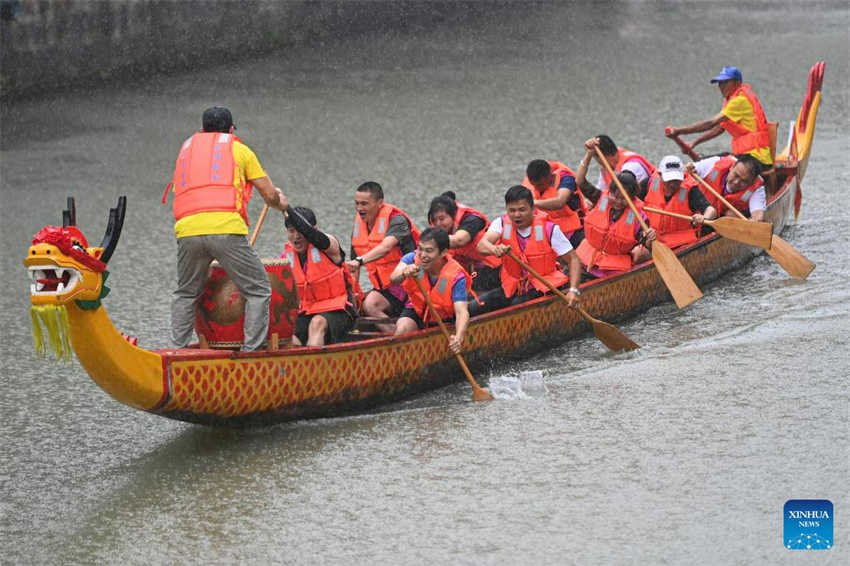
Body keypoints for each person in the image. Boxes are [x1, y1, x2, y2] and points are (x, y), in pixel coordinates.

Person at [166, 106, 288, 351]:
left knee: (186, 293)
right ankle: (251, 352)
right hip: (226, 230)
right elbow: (268, 194)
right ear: (231, 130)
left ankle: (175, 352)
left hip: (187, 230)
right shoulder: (240, 149)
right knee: (258, 290)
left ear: (201, 130)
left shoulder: (186, 151)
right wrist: (281, 203)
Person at [476, 185, 582, 310]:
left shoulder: (549, 229)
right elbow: (481, 246)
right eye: (512, 210)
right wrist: (494, 249)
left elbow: (574, 260)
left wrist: (574, 290)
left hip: (544, 286)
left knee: (516, 306)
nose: (516, 215)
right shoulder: (501, 223)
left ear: (532, 209)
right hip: (515, 285)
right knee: (475, 307)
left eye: (522, 210)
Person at [346, 181, 420, 331]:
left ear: (379, 203)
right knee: (365, 304)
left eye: (364, 204)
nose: (359, 209)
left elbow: (385, 247)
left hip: (411, 284)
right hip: (386, 288)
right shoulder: (358, 225)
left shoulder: (396, 220)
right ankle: (394, 337)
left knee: (371, 304)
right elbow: (354, 267)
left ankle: (398, 340)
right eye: (357, 203)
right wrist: (353, 298)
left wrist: (360, 261)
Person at [666, 66, 772, 167]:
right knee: (704, 161)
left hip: (757, 156)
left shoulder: (739, 101)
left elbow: (711, 123)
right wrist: (694, 143)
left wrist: (679, 131)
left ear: (737, 83)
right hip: (745, 155)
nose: (721, 86)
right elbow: (719, 129)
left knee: (718, 165)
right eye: (720, 83)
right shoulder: (731, 100)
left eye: (725, 82)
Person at [282, 206, 358, 346]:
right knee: (283, 332)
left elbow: (313, 235)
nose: (296, 236)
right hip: (306, 310)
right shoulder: (286, 256)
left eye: (301, 231)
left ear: (314, 229)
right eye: (292, 231)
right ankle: (297, 361)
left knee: (317, 322)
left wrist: (286, 208)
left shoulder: (329, 246)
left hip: (339, 310)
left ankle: (312, 364)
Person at [389, 228, 471, 354]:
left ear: (443, 252)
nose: (422, 255)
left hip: (442, 318)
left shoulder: (456, 275)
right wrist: (404, 273)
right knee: (403, 328)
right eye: (420, 249)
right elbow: (394, 278)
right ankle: (397, 359)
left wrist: (459, 337)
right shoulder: (411, 258)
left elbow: (461, 312)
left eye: (429, 251)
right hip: (417, 310)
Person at [574, 166, 658, 278]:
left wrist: (650, 237)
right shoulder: (600, 198)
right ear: (609, 192)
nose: (618, 202)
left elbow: (645, 242)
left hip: (612, 270)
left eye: (623, 198)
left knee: (641, 253)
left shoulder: (639, 217)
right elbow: (580, 181)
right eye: (614, 196)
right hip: (584, 261)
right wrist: (589, 154)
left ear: (632, 198)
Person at [427, 192, 501, 292]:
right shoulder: (443, 231)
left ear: (453, 215)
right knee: (443, 284)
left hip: (498, 267)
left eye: (441, 219)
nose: (438, 224)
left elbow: (459, 240)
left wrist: (428, 244)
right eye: (435, 220)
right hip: (476, 269)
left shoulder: (471, 219)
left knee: (469, 288)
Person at [644, 155, 718, 248]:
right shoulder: (650, 182)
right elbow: (635, 201)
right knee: (640, 252)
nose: (672, 184)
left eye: (676, 180)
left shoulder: (690, 190)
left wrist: (703, 218)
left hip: (682, 242)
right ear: (660, 175)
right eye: (669, 180)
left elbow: (711, 210)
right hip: (655, 238)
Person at [522, 159, 587, 248]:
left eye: (539, 185)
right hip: (550, 231)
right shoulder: (532, 183)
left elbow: (560, 202)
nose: (536, 188)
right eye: (534, 185)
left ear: (550, 176)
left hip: (576, 232)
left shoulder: (566, 179)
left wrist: (532, 203)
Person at [683, 154, 767, 222]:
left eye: (744, 181)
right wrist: (689, 168)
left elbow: (757, 214)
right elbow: (688, 169)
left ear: (751, 181)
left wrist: (755, 221)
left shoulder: (757, 188)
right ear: (732, 167)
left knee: (730, 214)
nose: (736, 182)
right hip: (702, 210)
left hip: (724, 219)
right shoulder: (716, 163)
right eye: (736, 175)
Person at [579, 135, 656, 195]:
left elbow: (627, 197)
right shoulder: (606, 167)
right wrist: (588, 154)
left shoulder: (632, 167)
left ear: (605, 157)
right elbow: (600, 191)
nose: (598, 162)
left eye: (595, 158)